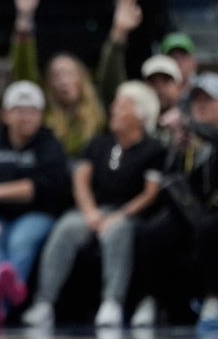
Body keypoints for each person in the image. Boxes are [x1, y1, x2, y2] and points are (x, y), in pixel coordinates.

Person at [23, 82, 165, 327]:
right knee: (67, 227)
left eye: (122, 106)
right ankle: (44, 302)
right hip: (93, 210)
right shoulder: (98, 143)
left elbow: (149, 194)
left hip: (129, 214)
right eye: (115, 105)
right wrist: (89, 212)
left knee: (117, 231)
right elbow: (81, 179)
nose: (114, 110)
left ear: (141, 115)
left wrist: (119, 215)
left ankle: (112, 302)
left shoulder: (153, 149)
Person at [132, 72, 218, 324]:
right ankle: (151, 299)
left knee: (210, 228)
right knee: (153, 231)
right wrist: (179, 150)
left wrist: (190, 126)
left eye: (208, 100)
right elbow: (173, 181)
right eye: (197, 99)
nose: (201, 105)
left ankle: (214, 297)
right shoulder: (192, 139)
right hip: (191, 210)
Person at [0, 81, 71, 325]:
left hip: (37, 213)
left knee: (20, 239)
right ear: (6, 114)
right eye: (19, 111)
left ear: (41, 115)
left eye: (32, 111)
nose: (26, 117)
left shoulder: (49, 143)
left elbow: (41, 187)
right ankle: (6, 294)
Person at [11, 0, 143, 157]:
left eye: (69, 74)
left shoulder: (100, 112)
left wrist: (119, 33)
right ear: (48, 84)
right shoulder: (42, 115)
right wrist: (24, 19)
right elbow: (24, 77)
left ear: (82, 79)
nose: (63, 81)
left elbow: (110, 79)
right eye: (56, 76)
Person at [162, 32, 199, 97]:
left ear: (193, 63)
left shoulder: (204, 91)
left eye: (183, 57)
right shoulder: (152, 93)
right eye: (173, 57)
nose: (178, 62)